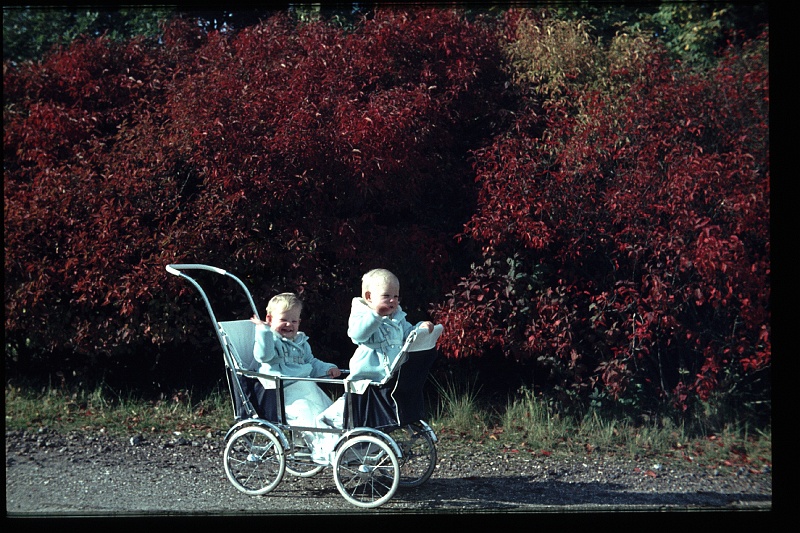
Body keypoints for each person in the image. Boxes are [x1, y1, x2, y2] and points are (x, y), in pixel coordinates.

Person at [315, 268, 438, 443]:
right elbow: (357, 334)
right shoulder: (362, 315)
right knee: (351, 409)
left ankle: (377, 433)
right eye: (386, 296)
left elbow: (409, 333)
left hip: (389, 374)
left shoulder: (397, 318)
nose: (392, 301)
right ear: (369, 297)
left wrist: (421, 327)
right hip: (368, 375)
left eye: (396, 296)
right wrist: (376, 315)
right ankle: (329, 424)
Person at [250, 293, 341, 459]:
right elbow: (263, 356)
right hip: (284, 391)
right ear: (270, 320)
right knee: (308, 415)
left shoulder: (300, 342)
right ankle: (324, 450)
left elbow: (311, 363)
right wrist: (263, 331)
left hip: (306, 386)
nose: (289, 325)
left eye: (294, 321)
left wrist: (328, 368)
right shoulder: (271, 341)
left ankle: (339, 442)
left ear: (299, 322)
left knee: (327, 411)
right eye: (283, 320)